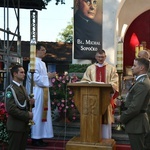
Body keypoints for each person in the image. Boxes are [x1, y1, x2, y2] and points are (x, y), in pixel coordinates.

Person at [81, 49, 119, 139]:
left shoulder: (111, 68)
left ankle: (106, 139)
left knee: (106, 118)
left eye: (102, 57)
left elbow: (115, 82)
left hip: (106, 98)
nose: (101, 58)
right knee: (94, 118)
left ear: (105, 57)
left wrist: (110, 86)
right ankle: (94, 138)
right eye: (99, 57)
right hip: (93, 99)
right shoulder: (90, 68)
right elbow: (85, 80)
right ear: (95, 57)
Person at [26, 42, 56, 147]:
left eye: (45, 50)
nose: (44, 52)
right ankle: (35, 137)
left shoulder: (42, 63)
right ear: (37, 50)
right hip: (37, 92)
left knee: (44, 114)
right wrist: (48, 76)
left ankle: (41, 136)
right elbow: (35, 78)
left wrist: (48, 76)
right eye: (42, 50)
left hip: (43, 91)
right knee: (38, 114)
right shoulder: (33, 62)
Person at [117, 58, 150, 150]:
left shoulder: (142, 83)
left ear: (141, 68)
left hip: (137, 124)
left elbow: (135, 107)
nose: (132, 68)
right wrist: (123, 103)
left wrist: (122, 118)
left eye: (134, 66)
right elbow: (134, 101)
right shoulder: (140, 81)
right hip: (137, 123)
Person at [5, 64, 34, 150]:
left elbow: (24, 104)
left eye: (24, 72)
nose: (24, 74)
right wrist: (27, 115)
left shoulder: (22, 88)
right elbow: (11, 109)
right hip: (15, 126)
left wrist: (30, 103)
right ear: (15, 74)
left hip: (23, 126)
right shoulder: (10, 89)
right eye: (21, 72)